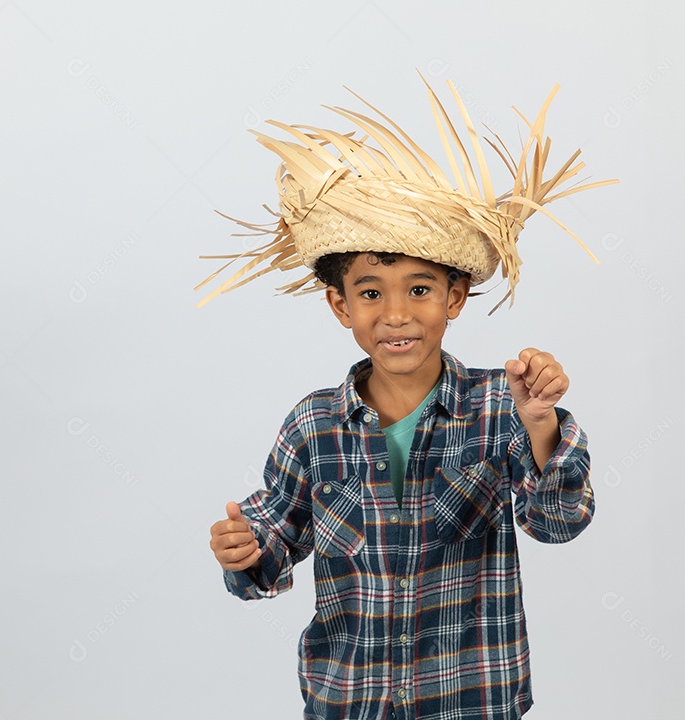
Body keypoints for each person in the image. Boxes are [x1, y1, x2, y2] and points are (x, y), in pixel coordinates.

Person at [201, 73, 616, 720]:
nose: (396, 314)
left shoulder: (498, 409)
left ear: (455, 297)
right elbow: (274, 538)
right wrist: (246, 548)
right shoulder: (314, 425)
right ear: (341, 305)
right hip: (350, 700)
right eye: (371, 293)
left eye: (420, 290)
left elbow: (558, 522)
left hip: (469, 700)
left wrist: (539, 422)